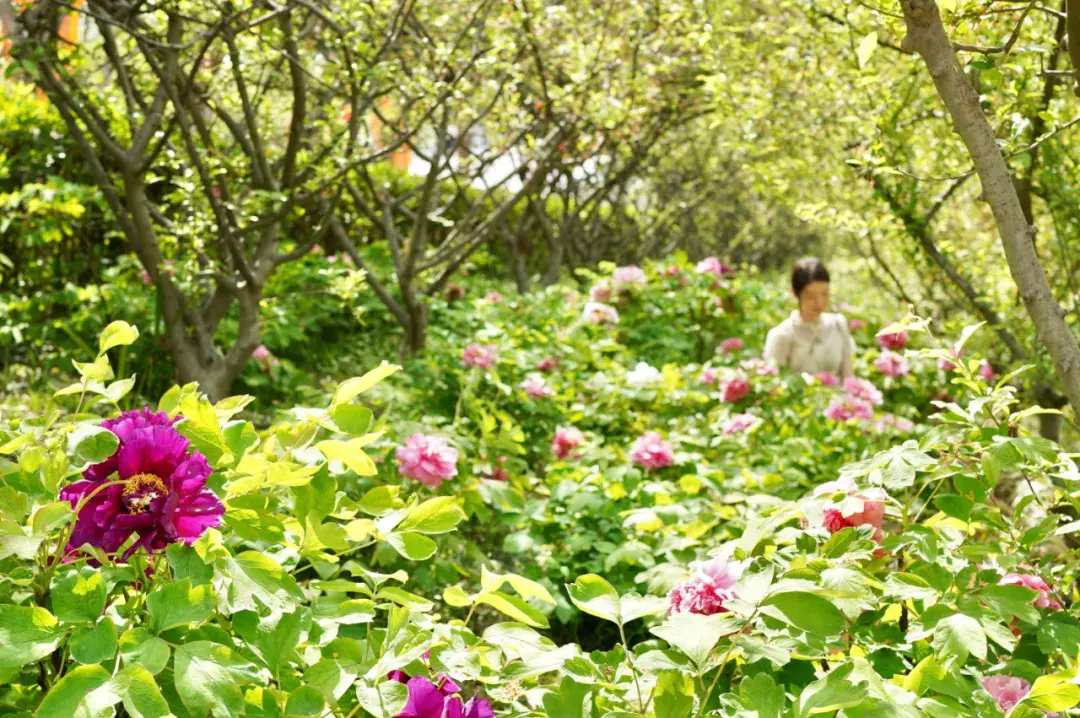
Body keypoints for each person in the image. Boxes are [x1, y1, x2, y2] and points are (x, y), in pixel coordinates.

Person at [763, 257, 856, 378]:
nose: (819, 302)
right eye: (811, 296)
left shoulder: (838, 324)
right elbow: (773, 385)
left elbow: (848, 377)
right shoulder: (782, 335)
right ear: (796, 294)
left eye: (824, 293)